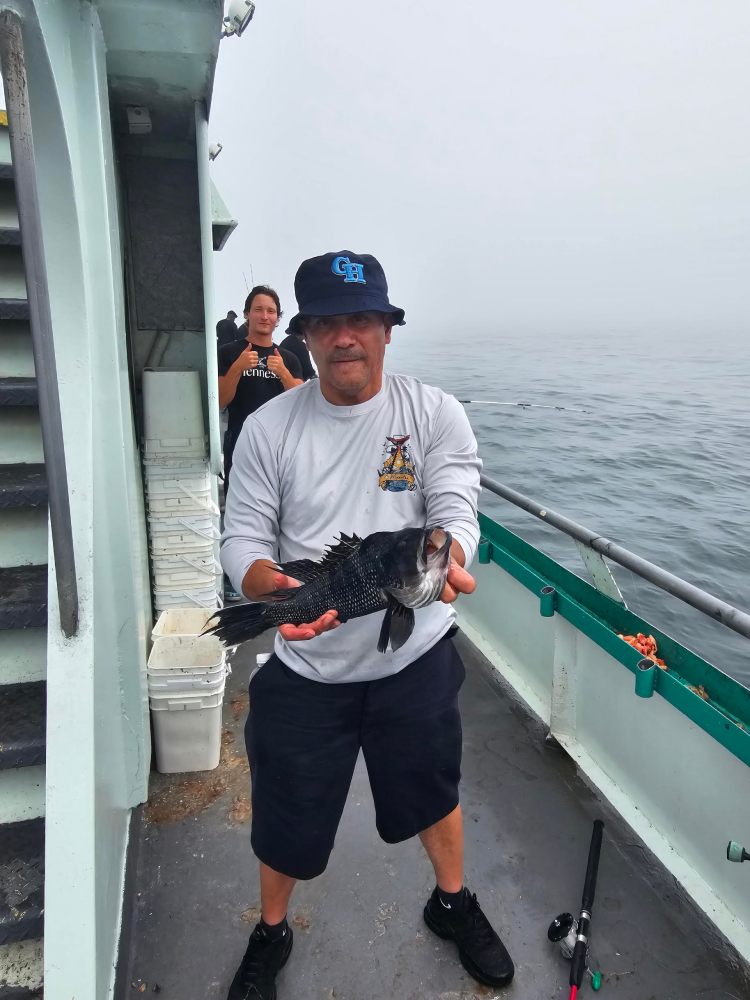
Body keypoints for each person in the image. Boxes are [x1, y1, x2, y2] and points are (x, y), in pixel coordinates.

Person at [221, 251, 515, 999]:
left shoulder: (432, 413)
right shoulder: (268, 427)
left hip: (412, 653)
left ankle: (452, 903)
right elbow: (244, 542)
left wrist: (449, 559)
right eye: (326, 323)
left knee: (433, 788)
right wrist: (273, 589)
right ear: (306, 337)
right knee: (286, 809)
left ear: (387, 330)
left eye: (361, 320)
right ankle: (272, 929)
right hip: (305, 668)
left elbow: (453, 506)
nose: (345, 337)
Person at [218, 286, 303, 601]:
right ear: (246, 314)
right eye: (258, 309)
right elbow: (221, 401)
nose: (265, 316)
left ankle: (286, 577)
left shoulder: (289, 357)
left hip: (285, 449)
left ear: (278, 318)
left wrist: (284, 375)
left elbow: (305, 403)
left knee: (287, 511)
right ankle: (237, 578)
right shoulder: (229, 353)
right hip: (240, 446)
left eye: (271, 311)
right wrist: (240, 367)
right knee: (242, 515)